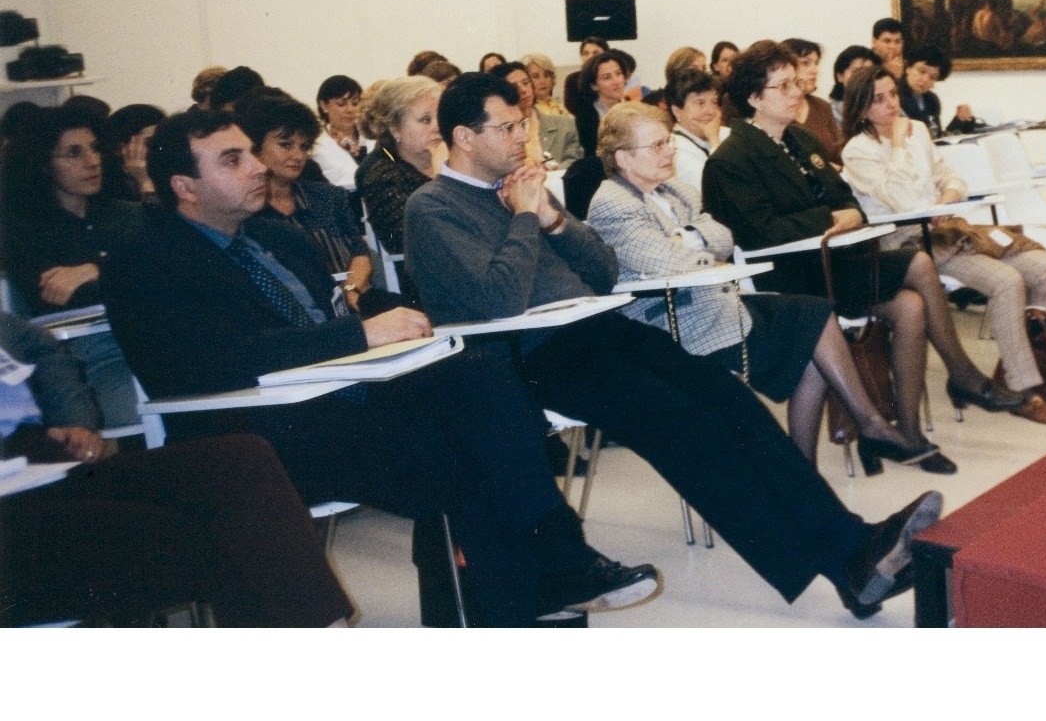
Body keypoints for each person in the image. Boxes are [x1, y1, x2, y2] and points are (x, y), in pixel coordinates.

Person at [403, 73, 943, 619]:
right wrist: (523, 215)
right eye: (508, 127)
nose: (523, 137)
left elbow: (604, 269)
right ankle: (847, 558)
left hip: (597, 329)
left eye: (523, 124)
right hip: (527, 356)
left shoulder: (519, 192)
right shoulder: (433, 207)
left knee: (726, 399)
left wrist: (552, 218)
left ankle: (852, 550)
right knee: (686, 423)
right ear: (465, 138)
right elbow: (499, 299)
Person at [101, 108, 659, 626]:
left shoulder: (278, 239)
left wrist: (394, 314)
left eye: (250, 152)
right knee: (473, 452)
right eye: (233, 160)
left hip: (350, 402)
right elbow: (201, 365)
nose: (257, 167)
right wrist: (359, 334)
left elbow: (331, 312)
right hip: (263, 436)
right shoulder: (143, 262)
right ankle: (550, 575)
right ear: (184, 187)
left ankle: (544, 579)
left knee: (481, 375)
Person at [702, 42, 1025, 458]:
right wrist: (832, 219)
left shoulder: (799, 139)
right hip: (786, 277)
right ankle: (954, 380)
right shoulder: (733, 159)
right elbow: (759, 232)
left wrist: (850, 215)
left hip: (831, 262)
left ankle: (909, 430)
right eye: (782, 86)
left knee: (913, 297)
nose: (795, 91)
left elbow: (846, 199)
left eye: (795, 82)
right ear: (754, 98)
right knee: (913, 282)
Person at [589, 102, 939, 471]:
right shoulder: (611, 202)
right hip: (676, 321)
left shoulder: (677, 191)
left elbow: (724, 236)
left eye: (667, 142)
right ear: (624, 158)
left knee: (815, 317)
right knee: (811, 337)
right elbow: (667, 262)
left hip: (718, 301)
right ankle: (857, 434)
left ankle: (820, 458)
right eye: (657, 146)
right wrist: (700, 246)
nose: (669, 151)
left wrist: (687, 238)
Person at [0, 312, 355, 628]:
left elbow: (41, 348)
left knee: (240, 461)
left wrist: (72, 420)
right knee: (211, 537)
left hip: (38, 454)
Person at [840, 68, 1046, 422]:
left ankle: (1032, 367)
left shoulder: (919, 130)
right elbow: (903, 200)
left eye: (893, 94)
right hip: (906, 242)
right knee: (1007, 281)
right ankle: (1022, 391)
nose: (892, 104)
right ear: (861, 108)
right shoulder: (858, 151)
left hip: (947, 228)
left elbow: (949, 174)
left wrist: (949, 194)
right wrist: (897, 144)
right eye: (878, 99)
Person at [0, 107, 141, 427]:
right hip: (90, 359)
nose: (92, 161)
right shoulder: (22, 233)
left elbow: (169, 267)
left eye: (94, 149)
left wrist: (94, 270)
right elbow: (59, 295)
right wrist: (119, 271)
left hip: (149, 340)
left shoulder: (128, 215)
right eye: (73, 153)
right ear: (44, 165)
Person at [235, 91, 383, 317]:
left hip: (355, 303)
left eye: (304, 147)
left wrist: (352, 290)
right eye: (286, 145)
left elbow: (360, 250)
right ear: (255, 147)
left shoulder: (327, 197)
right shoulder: (245, 212)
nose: (298, 155)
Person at [355, 76, 443, 263]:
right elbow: (406, 240)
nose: (438, 127)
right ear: (395, 129)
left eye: (440, 117)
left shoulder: (459, 158)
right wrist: (443, 179)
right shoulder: (382, 176)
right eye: (425, 120)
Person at [495, 60, 583, 168]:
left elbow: (576, 161)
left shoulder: (564, 124)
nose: (523, 90)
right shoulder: (496, 132)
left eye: (526, 83)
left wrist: (553, 169)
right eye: (514, 86)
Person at [664, 68, 729, 192]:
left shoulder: (727, 134)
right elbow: (722, 190)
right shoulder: (675, 151)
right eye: (700, 103)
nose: (710, 111)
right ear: (677, 111)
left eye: (714, 102)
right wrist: (714, 140)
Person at [900, 44, 980, 137]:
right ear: (908, 68)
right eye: (921, 72)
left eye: (932, 77)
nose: (925, 79)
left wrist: (960, 121)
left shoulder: (931, 100)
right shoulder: (894, 97)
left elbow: (936, 136)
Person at [783, 37, 843, 159]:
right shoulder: (775, 108)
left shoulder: (822, 106)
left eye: (816, 63)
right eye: (805, 63)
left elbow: (839, 153)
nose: (815, 70)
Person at [572, 49, 639, 158]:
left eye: (618, 74)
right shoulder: (585, 118)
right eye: (607, 77)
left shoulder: (635, 110)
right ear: (594, 85)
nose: (616, 81)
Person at [310, 74, 368, 189]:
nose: (350, 110)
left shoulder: (370, 136)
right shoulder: (318, 146)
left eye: (355, 103)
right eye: (342, 104)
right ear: (323, 105)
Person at [102, 102, 167, 203]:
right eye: (150, 142)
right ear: (121, 148)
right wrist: (145, 183)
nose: (160, 147)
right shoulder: (106, 188)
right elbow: (155, 216)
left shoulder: (166, 175)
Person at [829, 44, 879, 128]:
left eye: (870, 72)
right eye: (857, 72)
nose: (864, 78)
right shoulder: (830, 113)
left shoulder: (887, 103)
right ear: (840, 76)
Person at [562, 36, 611, 116]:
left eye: (595, 53)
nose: (590, 57)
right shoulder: (573, 79)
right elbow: (572, 108)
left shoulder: (613, 78)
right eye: (585, 53)